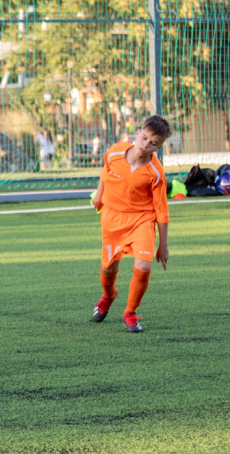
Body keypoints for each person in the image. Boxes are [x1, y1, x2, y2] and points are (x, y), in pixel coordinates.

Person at [90, 115, 172, 333]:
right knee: (108, 267)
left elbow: (162, 211)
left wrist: (163, 245)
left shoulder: (156, 172)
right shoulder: (115, 152)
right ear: (137, 133)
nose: (146, 145)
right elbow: (105, 174)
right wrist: (98, 197)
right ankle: (108, 296)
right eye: (144, 138)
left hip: (142, 219)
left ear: (159, 147)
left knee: (144, 265)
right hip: (113, 218)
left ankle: (130, 313)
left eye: (153, 143)